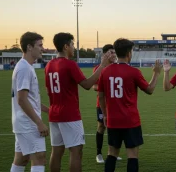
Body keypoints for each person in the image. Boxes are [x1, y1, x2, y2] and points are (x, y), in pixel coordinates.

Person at [45, 32, 111, 172]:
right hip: (69, 114)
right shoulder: (69, 64)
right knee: (76, 151)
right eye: (72, 44)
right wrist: (102, 66)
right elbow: (87, 85)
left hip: (54, 114)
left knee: (56, 151)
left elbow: (48, 90)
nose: (74, 48)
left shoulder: (49, 65)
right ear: (65, 46)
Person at [99, 38, 161, 172]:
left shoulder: (105, 71)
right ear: (128, 53)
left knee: (111, 154)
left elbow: (101, 96)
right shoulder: (134, 72)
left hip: (113, 120)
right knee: (132, 156)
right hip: (130, 121)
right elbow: (149, 90)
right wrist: (156, 73)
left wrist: (104, 114)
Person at [11, 32, 49, 172]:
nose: (42, 48)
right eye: (40, 45)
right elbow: (22, 100)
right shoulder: (24, 68)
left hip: (23, 122)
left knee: (22, 159)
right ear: (29, 47)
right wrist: (39, 122)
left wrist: (47, 110)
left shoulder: (26, 66)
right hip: (28, 123)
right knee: (39, 157)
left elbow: (29, 99)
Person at [92, 44, 122, 163]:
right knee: (101, 126)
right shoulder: (99, 69)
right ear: (105, 54)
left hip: (115, 104)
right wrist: (104, 88)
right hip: (102, 103)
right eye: (111, 52)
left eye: (114, 52)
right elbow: (94, 86)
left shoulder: (118, 68)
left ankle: (113, 153)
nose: (114, 54)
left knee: (114, 128)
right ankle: (99, 154)